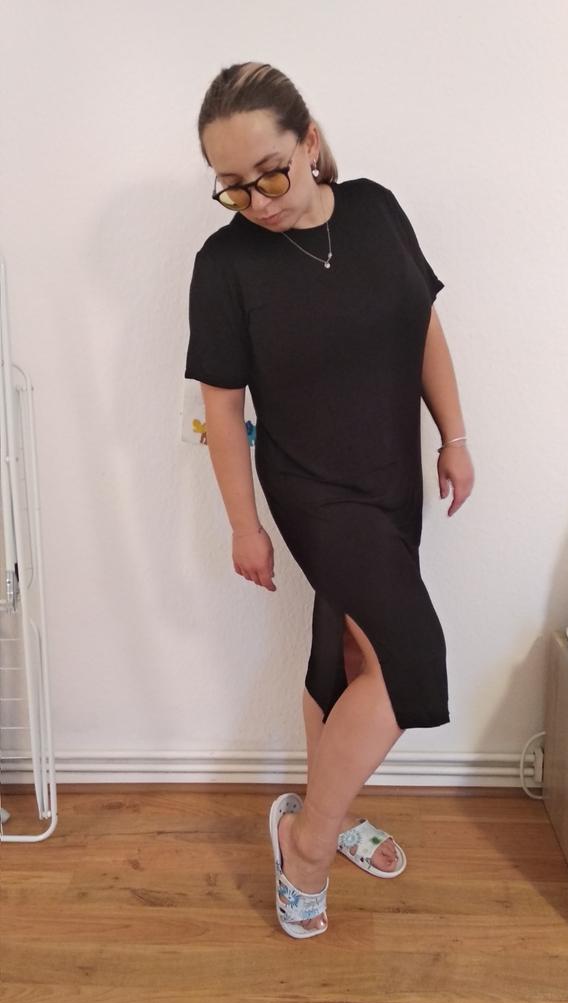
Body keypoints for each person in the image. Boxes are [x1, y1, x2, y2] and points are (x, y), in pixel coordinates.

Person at [185, 61, 475, 938]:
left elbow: (422, 325)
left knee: (345, 654)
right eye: (232, 187)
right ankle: (306, 843)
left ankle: (330, 810)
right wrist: (244, 525)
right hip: (311, 488)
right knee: (412, 662)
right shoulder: (225, 264)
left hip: (391, 473)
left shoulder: (377, 211)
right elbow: (223, 409)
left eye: (270, 173)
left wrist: (454, 436)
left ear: (309, 142)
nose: (257, 201)